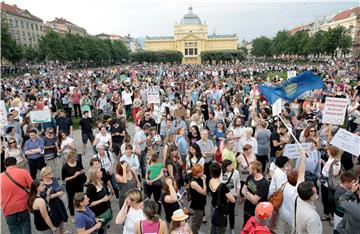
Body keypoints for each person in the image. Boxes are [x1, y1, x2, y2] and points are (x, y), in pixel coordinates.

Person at [0, 157, 32, 234]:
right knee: (25, 225)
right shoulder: (23, 172)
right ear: (16, 163)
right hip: (23, 205)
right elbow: (32, 186)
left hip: (7, 207)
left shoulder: (0, 177)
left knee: (14, 228)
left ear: (5, 166)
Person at [209, 162, 236, 234]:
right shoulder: (223, 186)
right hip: (221, 210)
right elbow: (233, 200)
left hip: (213, 206)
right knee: (220, 229)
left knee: (213, 227)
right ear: (220, 172)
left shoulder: (210, 181)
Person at [40, 166, 68, 233]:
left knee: (61, 219)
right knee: (52, 221)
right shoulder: (42, 184)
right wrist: (57, 194)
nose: (52, 173)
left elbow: (59, 188)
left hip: (58, 203)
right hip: (49, 206)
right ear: (45, 175)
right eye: (50, 172)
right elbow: (44, 197)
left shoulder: (54, 179)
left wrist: (61, 192)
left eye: (51, 171)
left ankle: (62, 232)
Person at [242, 160, 269, 226]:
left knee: (254, 229)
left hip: (256, 212)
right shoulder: (250, 177)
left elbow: (254, 200)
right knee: (245, 226)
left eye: (250, 168)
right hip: (247, 209)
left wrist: (247, 192)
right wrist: (250, 197)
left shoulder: (264, 183)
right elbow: (242, 191)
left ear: (255, 170)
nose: (248, 169)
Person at [85, 166, 112, 233]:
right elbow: (88, 204)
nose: (102, 172)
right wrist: (103, 200)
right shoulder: (91, 188)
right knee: (101, 231)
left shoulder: (100, 181)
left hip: (105, 209)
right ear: (95, 175)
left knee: (104, 227)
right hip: (99, 213)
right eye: (99, 172)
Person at [62, 151, 87, 222]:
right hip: (70, 186)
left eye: (75, 158)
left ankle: (82, 210)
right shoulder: (65, 167)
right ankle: (72, 215)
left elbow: (82, 169)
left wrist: (81, 172)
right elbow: (64, 179)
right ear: (68, 158)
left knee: (81, 198)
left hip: (79, 183)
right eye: (72, 159)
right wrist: (74, 176)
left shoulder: (78, 162)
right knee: (70, 200)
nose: (74, 160)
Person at [221, 159, 240, 233]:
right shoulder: (221, 172)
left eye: (231, 165)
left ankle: (232, 228)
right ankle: (223, 227)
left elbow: (238, 184)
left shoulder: (236, 172)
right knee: (224, 213)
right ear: (225, 167)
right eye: (229, 166)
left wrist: (237, 194)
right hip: (224, 197)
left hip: (232, 196)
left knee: (231, 213)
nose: (231, 167)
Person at [189, 164, 207, 233]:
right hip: (197, 205)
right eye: (201, 171)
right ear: (197, 173)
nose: (203, 172)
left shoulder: (198, 178)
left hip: (201, 203)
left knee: (198, 221)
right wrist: (204, 181)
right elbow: (204, 192)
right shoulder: (194, 182)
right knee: (196, 222)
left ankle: (195, 231)